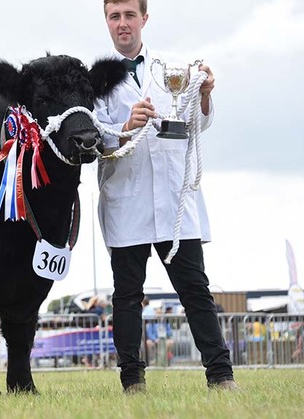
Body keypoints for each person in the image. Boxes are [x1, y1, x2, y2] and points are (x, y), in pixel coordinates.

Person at [95, 0, 237, 393]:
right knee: (126, 296)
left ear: (144, 18)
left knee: (196, 290)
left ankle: (221, 376)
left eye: (129, 15)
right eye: (114, 16)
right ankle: (132, 381)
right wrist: (125, 126)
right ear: (106, 20)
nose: (122, 24)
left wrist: (204, 93)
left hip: (175, 199)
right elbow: (92, 137)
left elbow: (198, 122)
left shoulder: (174, 67)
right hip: (127, 199)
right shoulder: (95, 78)